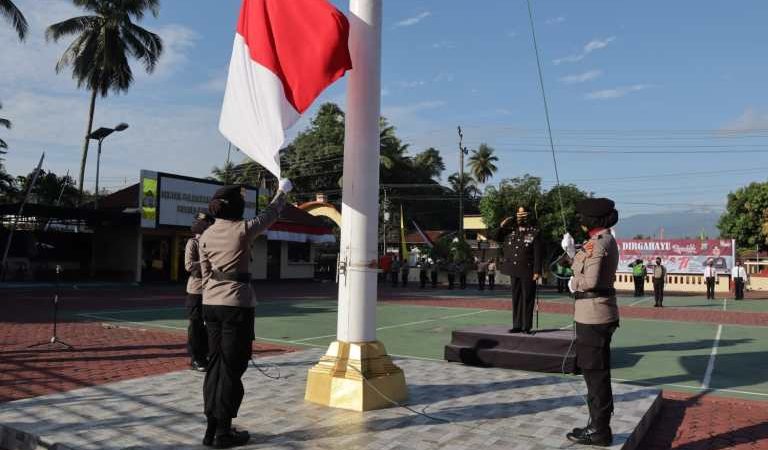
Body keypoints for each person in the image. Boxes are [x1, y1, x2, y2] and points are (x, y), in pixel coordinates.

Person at [198, 180, 291, 448]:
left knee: (215, 364)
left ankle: (211, 426)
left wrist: (212, 295)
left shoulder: (205, 235)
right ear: (237, 207)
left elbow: (205, 274)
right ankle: (223, 432)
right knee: (232, 366)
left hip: (211, 304)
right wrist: (282, 192)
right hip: (236, 305)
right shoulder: (242, 230)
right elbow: (270, 215)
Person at [561, 198, 620, 447]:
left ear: (592, 220)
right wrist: (571, 251)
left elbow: (590, 280)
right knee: (595, 372)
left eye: (583, 217)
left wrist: (574, 284)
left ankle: (599, 430)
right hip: (596, 314)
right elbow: (582, 265)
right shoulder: (600, 241)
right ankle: (597, 424)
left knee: (595, 374)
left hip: (593, 315)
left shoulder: (599, 243)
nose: (580, 220)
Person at [492, 207, 542, 334]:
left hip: (527, 270)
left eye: (523, 214)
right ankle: (517, 325)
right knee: (516, 297)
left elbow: (538, 254)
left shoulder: (534, 232)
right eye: (519, 214)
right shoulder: (510, 231)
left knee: (527, 298)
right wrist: (502, 225)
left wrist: (537, 271)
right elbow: (495, 236)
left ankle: (526, 326)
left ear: (528, 216)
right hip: (513, 269)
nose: (521, 217)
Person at [184, 212, 214, 372]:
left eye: (207, 223)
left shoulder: (213, 242)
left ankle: (207, 354)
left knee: (209, 325)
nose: (205, 225)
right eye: (203, 222)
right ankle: (196, 358)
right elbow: (189, 265)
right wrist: (207, 263)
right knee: (195, 325)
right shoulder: (193, 243)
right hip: (196, 289)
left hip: (211, 289)